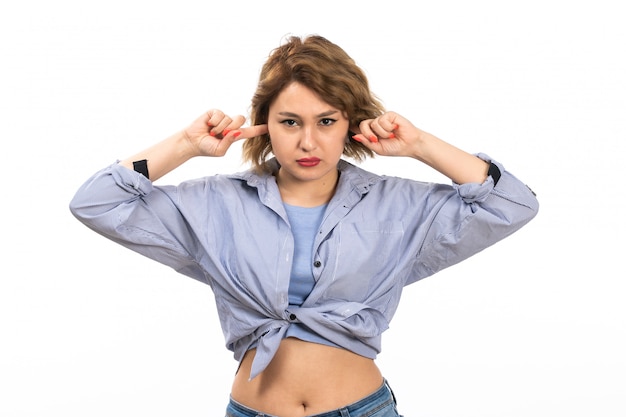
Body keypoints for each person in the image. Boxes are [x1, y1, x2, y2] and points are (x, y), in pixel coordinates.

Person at [70, 34, 539, 417]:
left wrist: (419, 145)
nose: (308, 141)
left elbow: (512, 204)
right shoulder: (216, 203)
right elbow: (96, 202)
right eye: (290, 121)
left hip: (361, 409)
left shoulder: (396, 205)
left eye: (326, 120)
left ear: (349, 123)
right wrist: (186, 144)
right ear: (264, 125)